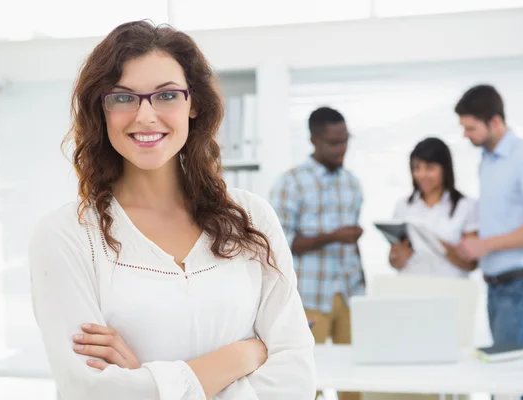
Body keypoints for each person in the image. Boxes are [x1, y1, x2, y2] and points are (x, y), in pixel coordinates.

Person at [28, 21, 315, 400]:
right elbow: (90, 392)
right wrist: (243, 354)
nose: (146, 116)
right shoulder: (66, 235)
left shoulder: (250, 217)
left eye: (166, 96)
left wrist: (147, 381)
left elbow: (296, 380)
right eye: (123, 97)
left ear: (193, 103)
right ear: (102, 110)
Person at [455, 84, 523, 400]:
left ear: (496, 122)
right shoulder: (488, 161)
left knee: (510, 380)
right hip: (498, 285)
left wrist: (486, 246)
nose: (465, 135)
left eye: (470, 128)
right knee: (505, 378)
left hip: (522, 284)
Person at [270, 106, 364, 400]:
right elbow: (280, 243)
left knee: (354, 378)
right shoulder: (292, 182)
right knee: (309, 380)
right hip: (309, 296)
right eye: (334, 142)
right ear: (314, 140)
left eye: (346, 140)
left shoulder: (352, 182)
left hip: (349, 294)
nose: (342, 149)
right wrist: (333, 237)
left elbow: (353, 243)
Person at [389, 137, 478, 277]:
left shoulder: (465, 206)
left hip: (450, 290)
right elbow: (394, 260)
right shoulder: (403, 206)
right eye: (416, 168)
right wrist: (397, 259)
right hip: (410, 287)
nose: (422, 175)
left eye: (430, 168)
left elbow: (471, 263)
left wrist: (434, 243)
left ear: (445, 169)